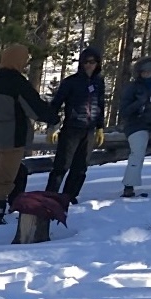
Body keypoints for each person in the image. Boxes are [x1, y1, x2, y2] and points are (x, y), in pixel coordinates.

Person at [0, 44, 58, 226]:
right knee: (3, 180)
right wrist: (54, 119)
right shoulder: (18, 83)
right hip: (11, 139)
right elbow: (36, 108)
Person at [45, 47, 106, 204]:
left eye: (92, 62)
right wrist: (52, 125)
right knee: (61, 166)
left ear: (97, 63)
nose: (88, 65)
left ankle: (69, 196)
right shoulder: (70, 82)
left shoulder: (99, 82)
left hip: (89, 129)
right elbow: (56, 104)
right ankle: (50, 196)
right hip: (71, 128)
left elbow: (100, 105)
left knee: (80, 167)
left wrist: (100, 127)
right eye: (85, 62)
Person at [119, 56, 151, 198]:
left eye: (150, 70)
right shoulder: (133, 87)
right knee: (138, 150)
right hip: (136, 124)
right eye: (144, 71)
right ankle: (129, 185)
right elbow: (124, 111)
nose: (147, 73)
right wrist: (139, 104)